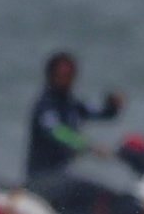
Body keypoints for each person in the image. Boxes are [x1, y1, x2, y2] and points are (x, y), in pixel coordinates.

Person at [25, 51, 126, 181]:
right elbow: (57, 132)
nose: (67, 80)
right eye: (62, 75)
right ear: (51, 75)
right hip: (41, 177)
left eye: (70, 75)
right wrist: (89, 146)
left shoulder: (72, 104)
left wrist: (113, 105)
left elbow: (102, 113)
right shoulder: (45, 106)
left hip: (62, 174)